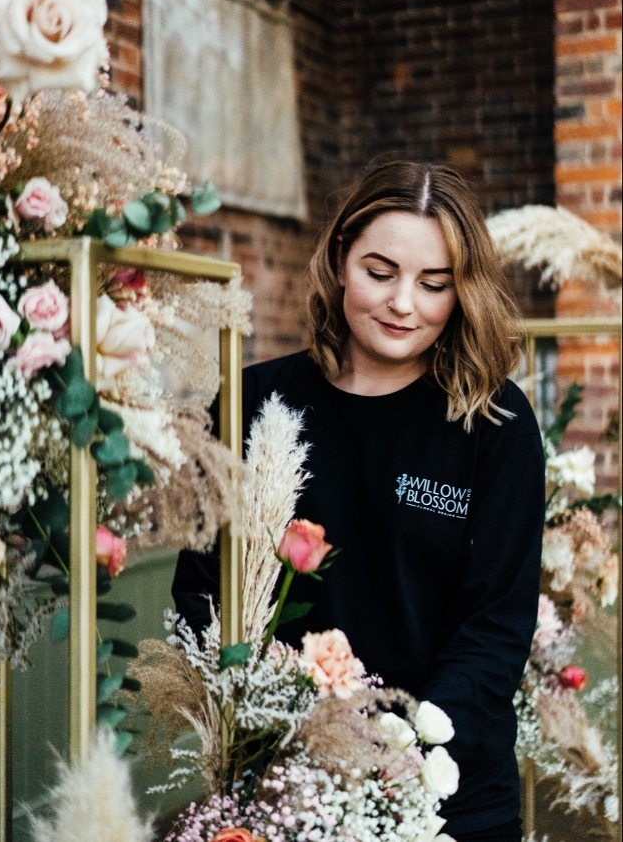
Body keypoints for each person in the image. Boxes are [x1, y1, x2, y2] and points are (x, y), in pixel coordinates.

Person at [172, 160, 545, 842]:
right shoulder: (253, 403)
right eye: (381, 272)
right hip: (285, 786)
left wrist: (410, 750)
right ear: (341, 258)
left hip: (444, 796)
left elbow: (495, 625)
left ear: (462, 293)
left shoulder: (495, 424)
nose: (404, 303)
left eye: (435, 284)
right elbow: (202, 594)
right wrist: (295, 721)